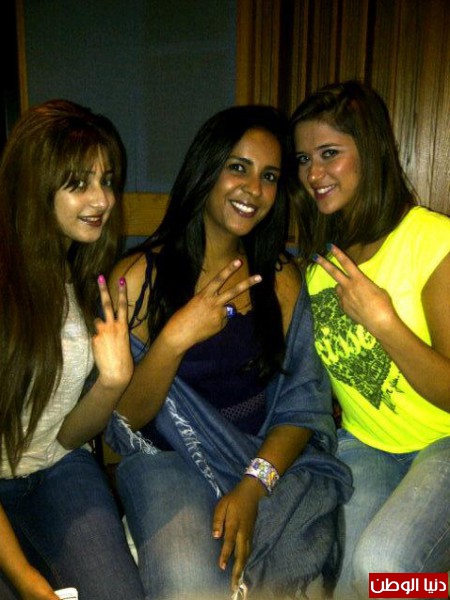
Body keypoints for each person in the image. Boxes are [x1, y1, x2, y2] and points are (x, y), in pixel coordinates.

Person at [104, 104, 352, 600]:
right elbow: (125, 418)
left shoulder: (280, 278)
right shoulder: (138, 279)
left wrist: (253, 486)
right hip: (167, 461)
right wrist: (175, 338)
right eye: (238, 167)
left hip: (260, 454)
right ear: (206, 168)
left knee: (288, 580)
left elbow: (302, 404)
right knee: (189, 587)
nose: (253, 189)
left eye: (269, 176)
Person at [290, 79, 450, 599]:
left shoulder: (433, 240)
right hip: (368, 443)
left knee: (385, 565)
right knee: (339, 577)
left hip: (444, 441)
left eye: (329, 153)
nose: (314, 174)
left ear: (371, 151)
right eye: (304, 159)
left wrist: (383, 321)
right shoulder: (319, 265)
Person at [0, 99, 146, 600]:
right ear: (35, 186)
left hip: (59, 467)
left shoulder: (83, 275)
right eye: (79, 183)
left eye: (107, 180)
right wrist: (26, 579)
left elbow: (67, 435)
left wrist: (113, 382)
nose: (102, 199)